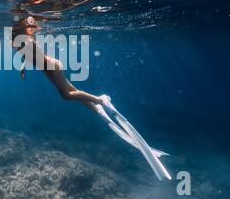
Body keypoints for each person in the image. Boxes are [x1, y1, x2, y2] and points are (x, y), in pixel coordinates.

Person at [11, 15, 172, 181]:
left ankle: (100, 100)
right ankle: (96, 107)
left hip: (52, 67)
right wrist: (23, 67)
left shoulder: (27, 40)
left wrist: (35, 22)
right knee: (72, 90)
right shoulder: (22, 42)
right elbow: (27, 55)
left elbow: (32, 48)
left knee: (66, 95)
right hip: (48, 69)